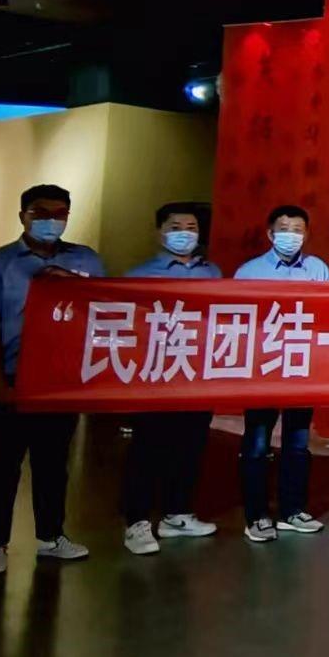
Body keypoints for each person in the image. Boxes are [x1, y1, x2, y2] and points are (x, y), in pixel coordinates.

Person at [0, 184, 104, 575]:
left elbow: (104, 308)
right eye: (40, 212)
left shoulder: (86, 260)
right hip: (12, 377)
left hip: (61, 381)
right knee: (2, 465)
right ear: (23, 215)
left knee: (53, 463)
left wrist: (70, 283)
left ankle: (51, 537)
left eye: (59, 213)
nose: (50, 221)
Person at [120, 203, 222, 556]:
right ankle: (136, 522)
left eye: (191, 227)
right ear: (159, 232)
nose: (184, 233)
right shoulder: (137, 276)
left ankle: (177, 514)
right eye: (176, 226)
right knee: (147, 450)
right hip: (154, 378)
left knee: (190, 448)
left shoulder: (212, 273)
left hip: (196, 377)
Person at [233, 204, 329, 543]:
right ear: (270, 233)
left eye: (298, 230)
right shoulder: (249, 272)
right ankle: (257, 515)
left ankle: (293, 510)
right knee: (257, 444)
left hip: (302, 371)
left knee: (298, 443)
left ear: (306, 234)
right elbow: (236, 321)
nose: (291, 236)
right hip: (262, 372)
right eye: (284, 229)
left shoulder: (317, 269)